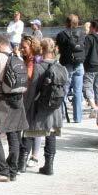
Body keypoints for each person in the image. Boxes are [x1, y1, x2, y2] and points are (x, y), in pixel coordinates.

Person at [23, 38, 68, 175]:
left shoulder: (39, 67)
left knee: (31, 133)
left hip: (39, 106)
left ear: (41, 50)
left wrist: (26, 106)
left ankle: (21, 165)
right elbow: (64, 89)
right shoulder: (62, 67)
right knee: (51, 135)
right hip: (55, 107)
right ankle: (49, 166)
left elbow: (33, 90)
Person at [0, 33, 28, 182]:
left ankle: (3, 170)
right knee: (13, 135)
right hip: (18, 100)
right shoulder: (17, 57)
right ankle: (13, 171)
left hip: (1, 100)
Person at [56, 14, 86, 123]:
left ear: (66, 22)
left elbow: (59, 49)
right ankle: (78, 118)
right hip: (79, 64)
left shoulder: (61, 35)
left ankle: (62, 116)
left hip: (66, 65)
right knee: (78, 92)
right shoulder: (82, 34)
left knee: (64, 90)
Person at [19, 36, 43, 170]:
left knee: (35, 127)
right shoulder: (24, 59)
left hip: (35, 97)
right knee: (27, 126)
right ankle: (24, 155)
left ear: (32, 47)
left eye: (25, 47)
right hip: (25, 96)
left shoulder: (37, 61)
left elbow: (31, 78)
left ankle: (35, 156)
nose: (22, 49)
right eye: (21, 47)